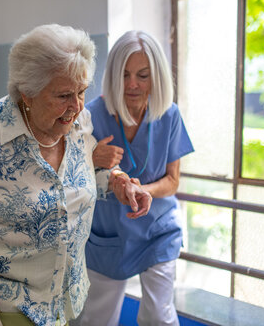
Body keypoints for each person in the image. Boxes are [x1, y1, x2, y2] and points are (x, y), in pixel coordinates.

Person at [0, 24, 152, 326]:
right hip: (8, 312)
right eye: (64, 95)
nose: (76, 106)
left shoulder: (78, 123)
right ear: (28, 93)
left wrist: (118, 183)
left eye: (82, 91)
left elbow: (78, 181)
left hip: (69, 300)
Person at [78, 31, 194, 326]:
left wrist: (145, 190)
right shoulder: (91, 116)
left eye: (142, 75)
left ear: (156, 76)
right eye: (125, 74)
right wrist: (90, 159)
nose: (132, 84)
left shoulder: (169, 115)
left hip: (158, 229)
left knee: (159, 316)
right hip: (110, 233)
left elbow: (173, 180)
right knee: (97, 320)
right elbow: (66, 174)